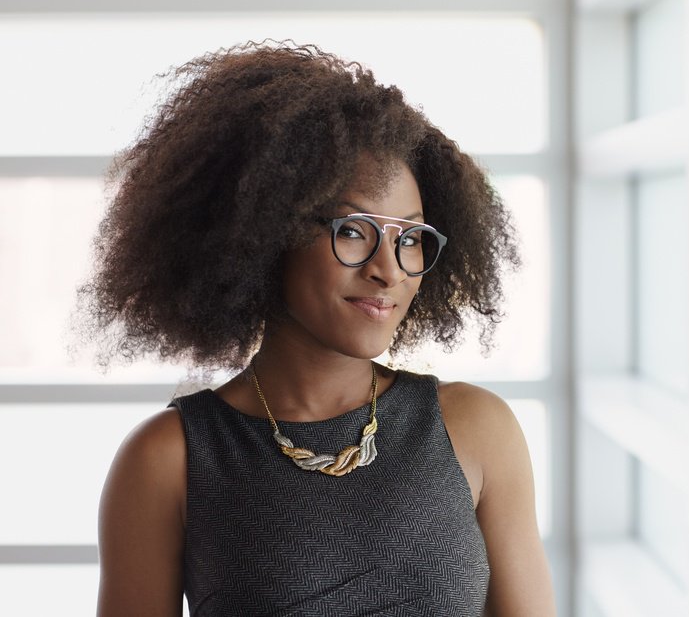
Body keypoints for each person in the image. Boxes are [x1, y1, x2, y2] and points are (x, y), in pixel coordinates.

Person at [85, 42, 556, 616]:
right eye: (355, 230)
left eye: (409, 238)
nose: (388, 269)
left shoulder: (477, 431)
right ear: (263, 231)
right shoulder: (169, 459)